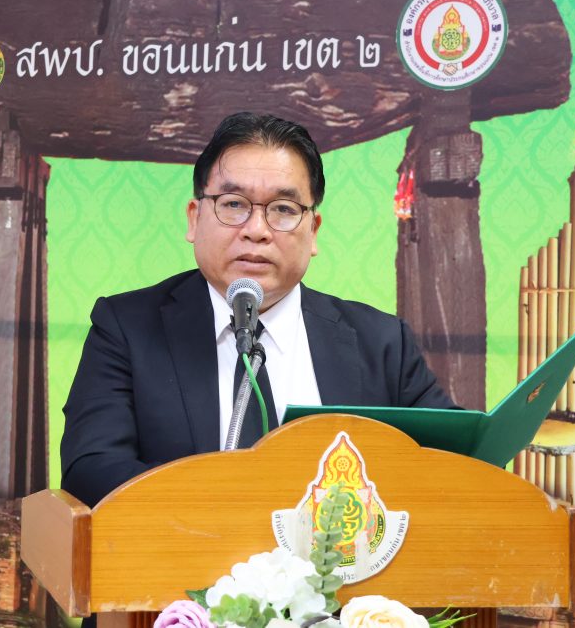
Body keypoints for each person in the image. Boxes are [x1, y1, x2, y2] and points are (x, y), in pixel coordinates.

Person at [60, 112, 456, 508]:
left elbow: (456, 466)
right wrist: (227, 507)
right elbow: (91, 469)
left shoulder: (382, 343)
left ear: (313, 231)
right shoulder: (128, 329)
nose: (257, 230)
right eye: (234, 204)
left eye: (283, 209)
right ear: (195, 219)